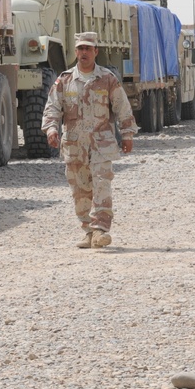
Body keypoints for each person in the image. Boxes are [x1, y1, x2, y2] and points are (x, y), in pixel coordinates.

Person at [41, 32, 138, 249]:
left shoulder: (107, 79)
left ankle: (101, 229)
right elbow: (53, 107)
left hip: (101, 144)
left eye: (88, 48)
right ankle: (88, 231)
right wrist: (50, 130)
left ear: (96, 51)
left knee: (102, 184)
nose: (84, 52)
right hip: (75, 145)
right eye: (80, 49)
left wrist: (127, 133)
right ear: (75, 52)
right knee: (80, 190)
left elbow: (122, 107)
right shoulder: (65, 80)